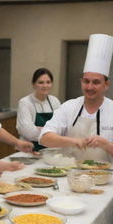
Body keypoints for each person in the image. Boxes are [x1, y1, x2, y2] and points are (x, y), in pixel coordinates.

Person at [39, 33, 113, 162]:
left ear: (106, 85)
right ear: (81, 81)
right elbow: (44, 138)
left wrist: (106, 145)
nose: (89, 87)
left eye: (96, 82)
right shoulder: (69, 107)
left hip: (105, 176)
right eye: (86, 81)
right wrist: (72, 141)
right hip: (70, 175)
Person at [16, 68, 61, 151]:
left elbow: (60, 128)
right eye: (41, 82)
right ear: (34, 84)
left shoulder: (55, 101)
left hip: (51, 151)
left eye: (48, 82)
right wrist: (50, 133)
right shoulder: (25, 103)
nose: (45, 86)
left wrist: (39, 128)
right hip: (29, 150)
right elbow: (28, 131)